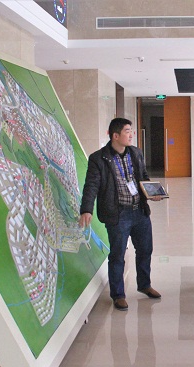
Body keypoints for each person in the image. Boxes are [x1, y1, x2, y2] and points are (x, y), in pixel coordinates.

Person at [79, 117, 162, 311]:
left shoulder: (136, 153)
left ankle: (144, 284)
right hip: (118, 214)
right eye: (127, 131)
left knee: (145, 250)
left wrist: (151, 193)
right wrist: (86, 209)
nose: (131, 134)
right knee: (117, 255)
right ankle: (118, 295)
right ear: (115, 136)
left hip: (139, 211)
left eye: (131, 130)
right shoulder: (98, 158)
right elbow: (91, 185)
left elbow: (143, 177)